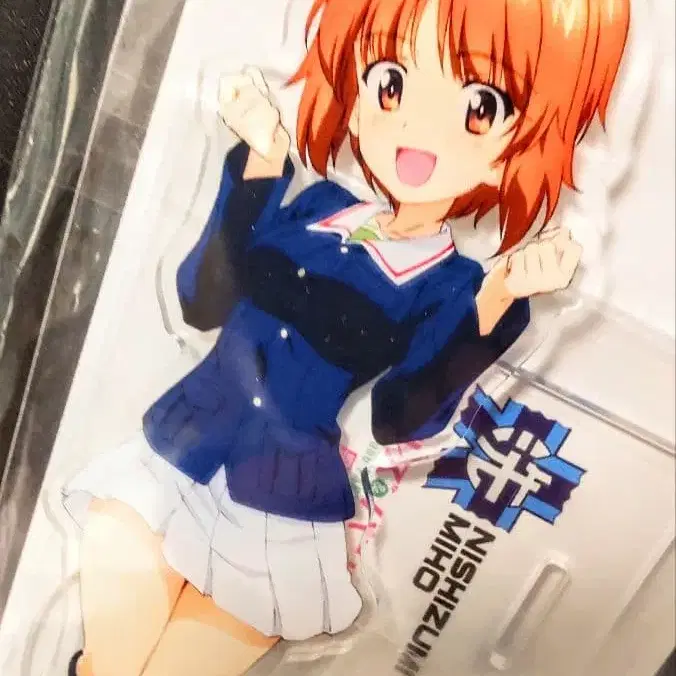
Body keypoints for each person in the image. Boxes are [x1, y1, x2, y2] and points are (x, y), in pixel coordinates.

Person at [63, 0, 629, 673]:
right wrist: (262, 162)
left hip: (275, 505)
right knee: (103, 663)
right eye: (391, 83)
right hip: (173, 449)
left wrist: (499, 298)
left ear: (521, 147)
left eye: (480, 106)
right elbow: (200, 299)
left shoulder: (452, 284)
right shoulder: (318, 204)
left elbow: (400, 417)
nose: (415, 125)